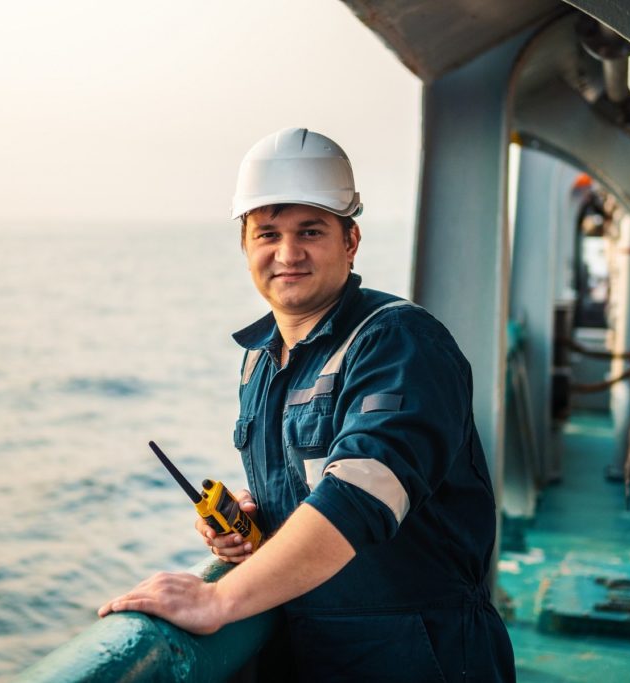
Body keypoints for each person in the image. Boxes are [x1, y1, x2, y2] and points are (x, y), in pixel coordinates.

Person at [99, 127, 515, 681]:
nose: (287, 253)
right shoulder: (261, 360)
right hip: (309, 651)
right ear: (245, 245)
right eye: (267, 233)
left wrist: (218, 601)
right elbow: (315, 488)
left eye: (311, 231)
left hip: (418, 656)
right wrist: (252, 528)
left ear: (351, 241)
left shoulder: (400, 342)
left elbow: (361, 493)